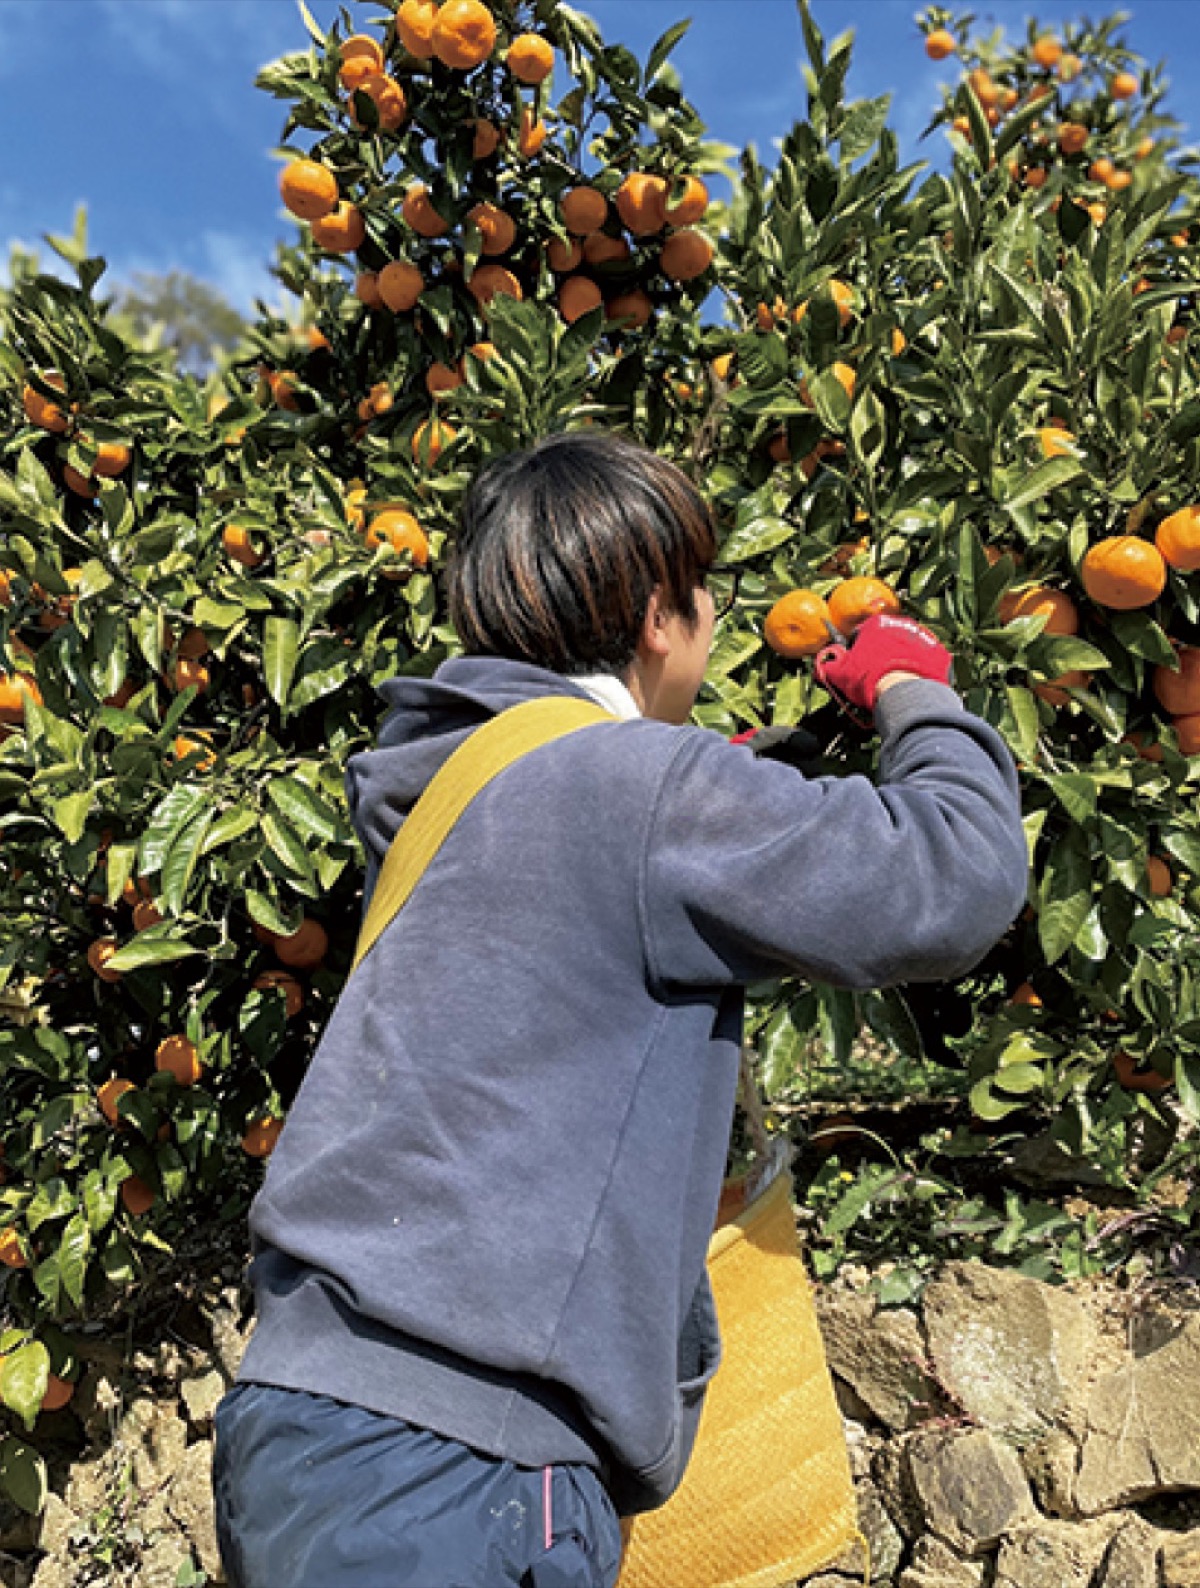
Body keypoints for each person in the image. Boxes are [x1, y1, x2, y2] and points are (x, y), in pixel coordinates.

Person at [212, 430, 1027, 1588]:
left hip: (297, 1427)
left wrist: (769, 762)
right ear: (657, 616)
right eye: (703, 590)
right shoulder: (635, 790)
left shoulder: (448, 783)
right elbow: (951, 877)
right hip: (457, 1468)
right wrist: (915, 690)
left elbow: (623, 860)